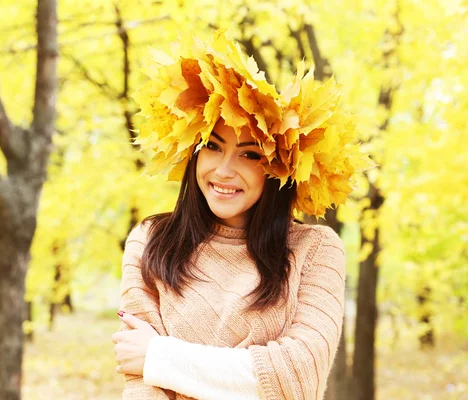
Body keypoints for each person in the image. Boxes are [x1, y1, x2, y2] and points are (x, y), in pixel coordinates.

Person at [111, 29, 369, 400]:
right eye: (213, 147)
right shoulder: (151, 241)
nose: (223, 170)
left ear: (278, 167)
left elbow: (299, 377)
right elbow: (141, 384)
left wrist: (159, 355)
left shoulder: (315, 250)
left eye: (250, 154)